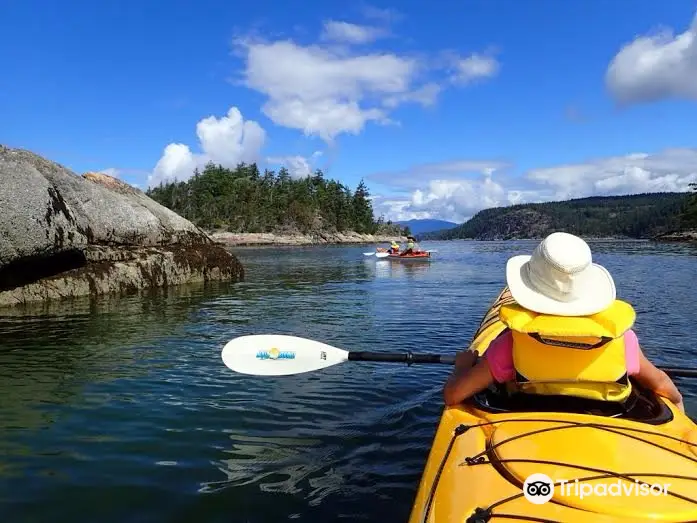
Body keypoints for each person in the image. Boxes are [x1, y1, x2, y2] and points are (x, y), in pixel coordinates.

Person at [443, 232, 684, 413]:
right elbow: (662, 384)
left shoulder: (511, 343)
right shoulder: (623, 340)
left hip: (530, 424)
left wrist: (463, 367)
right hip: (611, 424)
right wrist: (678, 403)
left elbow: (454, 395)